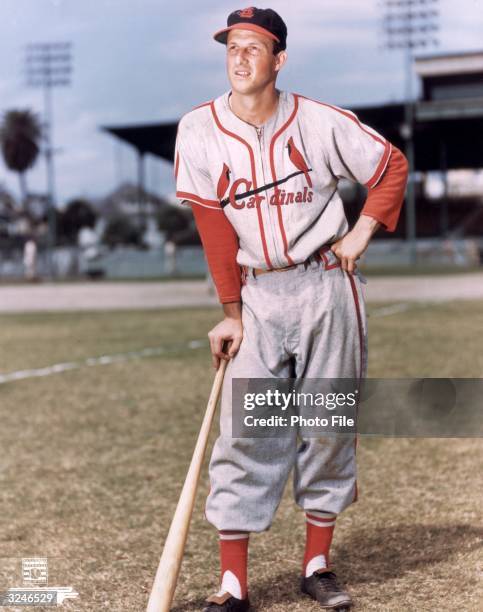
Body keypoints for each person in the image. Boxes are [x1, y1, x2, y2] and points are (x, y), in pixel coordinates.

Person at [174, 7, 408, 611]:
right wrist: (231, 311)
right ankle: (233, 586)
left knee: (328, 424)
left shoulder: (321, 122)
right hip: (257, 294)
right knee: (248, 432)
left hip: (327, 285)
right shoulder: (198, 129)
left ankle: (317, 565)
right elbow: (212, 228)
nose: (241, 55)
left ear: (279, 60)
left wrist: (361, 232)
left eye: (256, 46)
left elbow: (389, 167)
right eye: (233, 45)